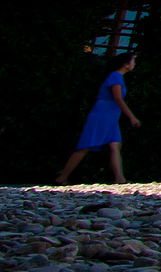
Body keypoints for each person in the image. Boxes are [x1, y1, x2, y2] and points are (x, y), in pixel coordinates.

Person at [55, 54, 142, 184]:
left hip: (110, 116)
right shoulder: (115, 77)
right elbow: (117, 98)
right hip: (102, 115)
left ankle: (120, 178)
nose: (134, 64)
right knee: (86, 145)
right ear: (126, 64)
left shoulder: (118, 77)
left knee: (115, 145)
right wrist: (131, 117)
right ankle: (62, 177)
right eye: (133, 61)